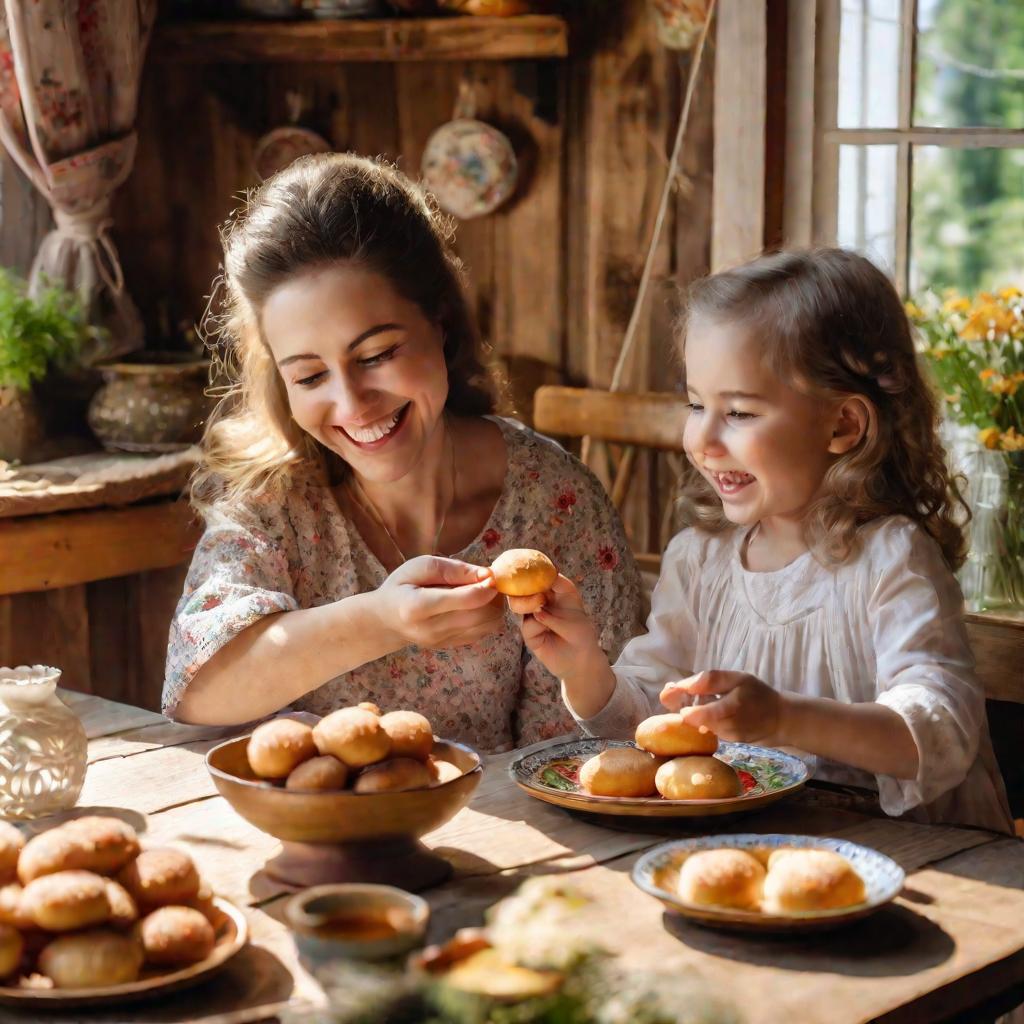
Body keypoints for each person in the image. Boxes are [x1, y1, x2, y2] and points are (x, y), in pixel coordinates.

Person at [517, 248, 1012, 831]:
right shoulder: (701, 561)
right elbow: (651, 722)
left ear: (842, 425)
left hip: (923, 861)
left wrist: (781, 717)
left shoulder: (890, 559)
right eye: (696, 404)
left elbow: (940, 732)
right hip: (768, 849)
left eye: (741, 413)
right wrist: (583, 668)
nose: (702, 438)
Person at [162, 153, 642, 753]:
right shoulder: (273, 500)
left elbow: (592, 751)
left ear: (439, 323)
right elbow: (194, 689)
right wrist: (383, 621)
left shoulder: (554, 499)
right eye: (310, 377)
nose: (353, 404)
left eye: (376, 355)